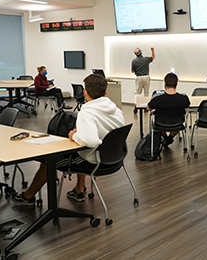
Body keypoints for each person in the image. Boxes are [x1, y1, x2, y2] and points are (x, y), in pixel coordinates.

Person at [11, 74, 125, 205]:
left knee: (49, 162)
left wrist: (74, 136)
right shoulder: (116, 110)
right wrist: (82, 135)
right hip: (115, 158)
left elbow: (91, 142)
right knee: (78, 149)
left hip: (97, 161)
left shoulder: (86, 113)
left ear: (84, 92)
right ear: (105, 93)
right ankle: (79, 189)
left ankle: (28, 196)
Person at [147, 73, 190, 147]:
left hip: (160, 123)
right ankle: (169, 139)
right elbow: (187, 106)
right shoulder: (183, 98)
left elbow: (148, 108)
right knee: (178, 121)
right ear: (176, 84)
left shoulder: (157, 98)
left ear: (165, 83)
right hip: (177, 123)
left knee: (158, 122)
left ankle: (165, 138)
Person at [132, 47, 155, 114]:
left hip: (138, 77)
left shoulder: (134, 61)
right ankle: (145, 107)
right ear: (141, 53)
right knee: (146, 92)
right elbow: (153, 57)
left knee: (137, 92)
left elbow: (132, 71)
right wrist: (153, 51)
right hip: (146, 76)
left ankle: (136, 105)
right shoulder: (146, 59)